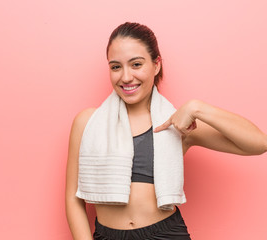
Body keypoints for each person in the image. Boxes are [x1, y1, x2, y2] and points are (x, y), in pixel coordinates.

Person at [65, 22, 267, 240]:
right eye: (116, 67)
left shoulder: (177, 123)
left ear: (156, 65)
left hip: (165, 234)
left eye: (136, 64)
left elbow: (258, 143)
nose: (125, 77)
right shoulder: (88, 122)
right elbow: (73, 199)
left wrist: (197, 108)